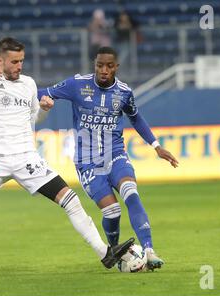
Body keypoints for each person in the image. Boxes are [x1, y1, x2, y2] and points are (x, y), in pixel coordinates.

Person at [0, 38, 134, 277]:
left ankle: (104, 254)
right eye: (14, 61)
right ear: (0, 61)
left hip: (27, 159)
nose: (19, 66)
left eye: (22, 61)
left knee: (71, 200)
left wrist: (44, 108)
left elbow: (34, 119)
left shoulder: (28, 84)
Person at [38, 46, 179, 271]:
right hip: (87, 162)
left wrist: (156, 146)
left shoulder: (123, 92)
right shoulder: (77, 85)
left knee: (131, 192)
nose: (104, 70)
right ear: (95, 65)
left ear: (116, 67)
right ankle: (116, 251)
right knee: (112, 212)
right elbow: (40, 92)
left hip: (115, 154)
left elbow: (137, 118)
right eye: (99, 65)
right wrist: (39, 100)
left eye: (109, 66)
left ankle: (150, 250)